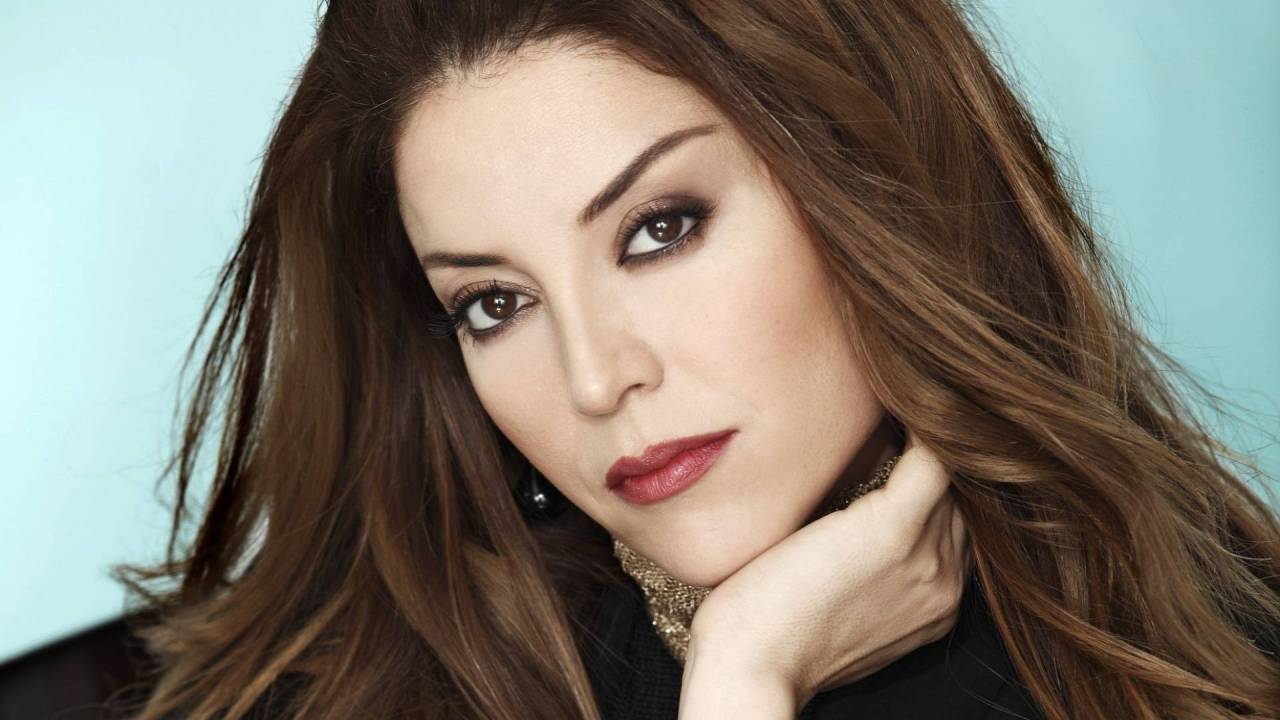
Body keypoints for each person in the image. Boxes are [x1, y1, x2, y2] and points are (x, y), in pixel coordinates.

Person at [112, 1, 1280, 719]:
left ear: (866, 190)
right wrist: (742, 680)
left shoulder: (1214, 648)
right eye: (493, 304)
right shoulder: (350, 697)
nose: (593, 378)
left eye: (658, 230)